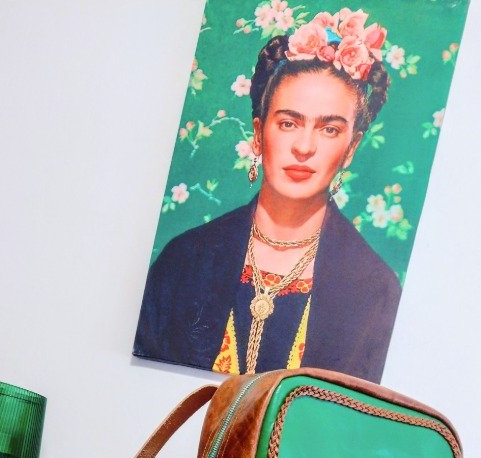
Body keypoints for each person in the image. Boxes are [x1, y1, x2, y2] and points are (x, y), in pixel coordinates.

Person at [133, 9, 402, 383]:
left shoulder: (374, 289)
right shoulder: (184, 259)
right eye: (289, 123)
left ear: (351, 148)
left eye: (329, 129)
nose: (304, 147)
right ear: (259, 134)